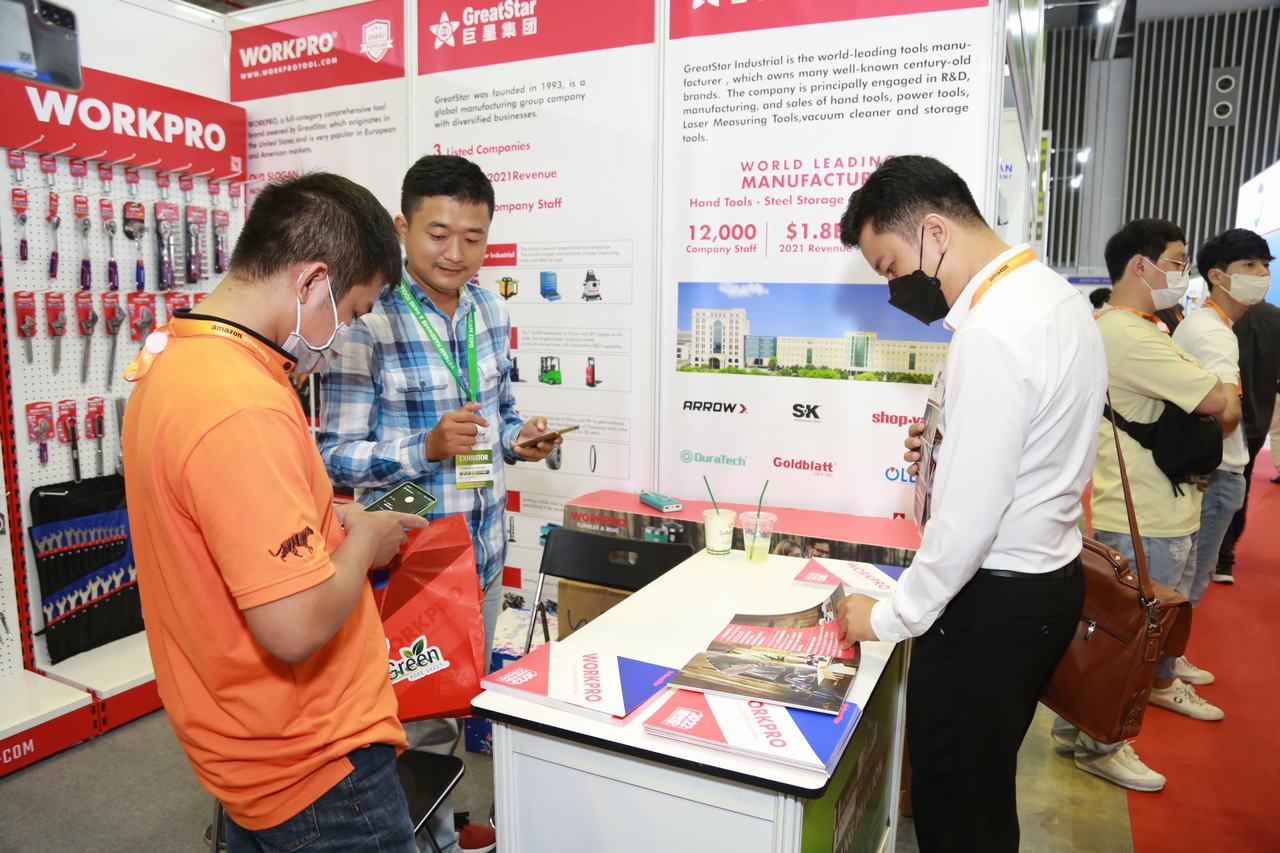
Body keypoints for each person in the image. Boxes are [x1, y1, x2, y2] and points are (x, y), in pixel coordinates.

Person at [122, 173, 428, 851]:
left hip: (248, 749)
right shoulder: (240, 403)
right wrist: (366, 540)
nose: (341, 337)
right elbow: (294, 625)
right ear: (311, 281)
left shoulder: (177, 360)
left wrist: (326, 515)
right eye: (350, 313)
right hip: (317, 767)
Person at [834, 155, 1104, 852]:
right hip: (1044, 585)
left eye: (892, 267)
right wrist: (948, 441)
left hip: (987, 606)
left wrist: (887, 617)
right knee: (983, 792)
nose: (896, 287)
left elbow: (967, 523)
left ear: (935, 232)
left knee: (956, 807)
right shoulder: (1053, 297)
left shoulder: (992, 331)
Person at [319, 155, 559, 853]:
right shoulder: (366, 317)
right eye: (438, 233)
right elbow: (333, 454)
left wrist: (520, 439)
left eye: (473, 237)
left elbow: (499, 417)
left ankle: (442, 827)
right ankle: (419, 840)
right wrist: (423, 447)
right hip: (411, 564)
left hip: (480, 555)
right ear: (402, 228)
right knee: (411, 721)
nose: (456, 252)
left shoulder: (491, 309)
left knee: (453, 704)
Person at [1053, 219, 1234, 793]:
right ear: (1140, 264)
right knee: (1129, 640)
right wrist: (1218, 382)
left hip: (1148, 505)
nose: (1183, 272)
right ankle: (1103, 746)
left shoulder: (1135, 328)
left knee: (1111, 634)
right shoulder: (1131, 335)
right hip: (1145, 513)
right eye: (1177, 261)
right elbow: (1220, 403)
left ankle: (1078, 729)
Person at [1172, 229, 1271, 609]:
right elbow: (1226, 413)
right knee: (1190, 585)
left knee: (1188, 578)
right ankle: (1170, 649)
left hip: (1211, 471)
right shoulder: (1213, 333)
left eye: (1264, 265)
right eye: (1249, 265)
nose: (1261, 274)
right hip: (1217, 473)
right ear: (1216, 275)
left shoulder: (1210, 324)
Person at [1214, 290, 1280, 581]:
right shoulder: (1274, 318)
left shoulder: (1220, 317)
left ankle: (1217, 554)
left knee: (1212, 486)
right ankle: (1224, 558)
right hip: (1258, 415)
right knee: (1240, 483)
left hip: (1218, 414)